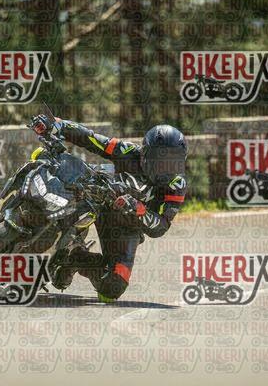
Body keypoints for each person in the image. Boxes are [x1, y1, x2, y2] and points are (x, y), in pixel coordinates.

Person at [31, 114, 188, 302]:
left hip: (128, 226)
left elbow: (161, 227)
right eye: (160, 160)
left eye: (173, 161)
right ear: (145, 153)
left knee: (113, 288)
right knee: (72, 187)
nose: (166, 167)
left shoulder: (176, 185)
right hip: (101, 201)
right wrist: (60, 125)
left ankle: (75, 257)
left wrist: (141, 211)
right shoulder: (128, 151)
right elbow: (92, 139)